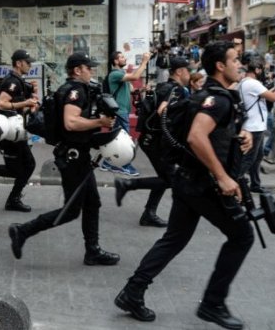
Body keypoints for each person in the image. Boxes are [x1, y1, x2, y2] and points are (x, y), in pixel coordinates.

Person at [114, 41, 254, 330]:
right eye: (235, 60)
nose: (239, 65)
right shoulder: (218, 99)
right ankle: (213, 304)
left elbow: (210, 135)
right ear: (220, 65)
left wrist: (238, 137)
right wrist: (225, 177)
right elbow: (196, 137)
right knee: (242, 236)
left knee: (174, 238)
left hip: (186, 181)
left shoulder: (206, 95)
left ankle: (132, 292)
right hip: (202, 186)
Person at [9, 52, 120, 266]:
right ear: (78, 70)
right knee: (71, 211)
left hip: (78, 154)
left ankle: (92, 250)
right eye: (89, 67)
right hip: (73, 157)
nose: (92, 71)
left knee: (92, 203)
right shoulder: (75, 91)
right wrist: (100, 122)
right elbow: (71, 123)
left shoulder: (73, 89)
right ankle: (22, 231)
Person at [114, 56, 192, 228]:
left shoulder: (164, 86)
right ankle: (128, 184)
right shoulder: (176, 90)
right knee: (171, 180)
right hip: (157, 142)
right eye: (188, 70)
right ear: (179, 72)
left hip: (152, 140)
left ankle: (149, 213)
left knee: (165, 177)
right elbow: (162, 110)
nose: (190, 74)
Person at [0, 49, 39, 212]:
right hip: (9, 131)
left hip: (17, 130)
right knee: (16, 169)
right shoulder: (11, 81)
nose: (30, 65)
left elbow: (24, 106)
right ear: (18, 63)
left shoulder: (20, 81)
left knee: (28, 165)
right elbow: (1, 104)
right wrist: (25, 103)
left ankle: (14, 198)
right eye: (28, 62)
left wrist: (33, 96)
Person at [237, 57, 275, 193]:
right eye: (263, 69)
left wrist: (273, 86)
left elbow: (266, 94)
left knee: (257, 158)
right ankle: (235, 183)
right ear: (257, 70)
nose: (264, 73)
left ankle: (255, 184)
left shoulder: (245, 82)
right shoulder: (253, 83)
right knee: (249, 159)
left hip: (255, 125)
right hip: (253, 127)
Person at [101, 50, 149, 176]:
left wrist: (142, 89)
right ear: (116, 61)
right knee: (125, 141)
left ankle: (108, 163)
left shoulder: (122, 74)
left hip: (122, 111)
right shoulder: (115, 74)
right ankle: (124, 165)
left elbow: (132, 89)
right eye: (121, 57)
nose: (124, 58)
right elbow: (135, 77)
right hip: (119, 112)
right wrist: (144, 62)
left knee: (116, 140)